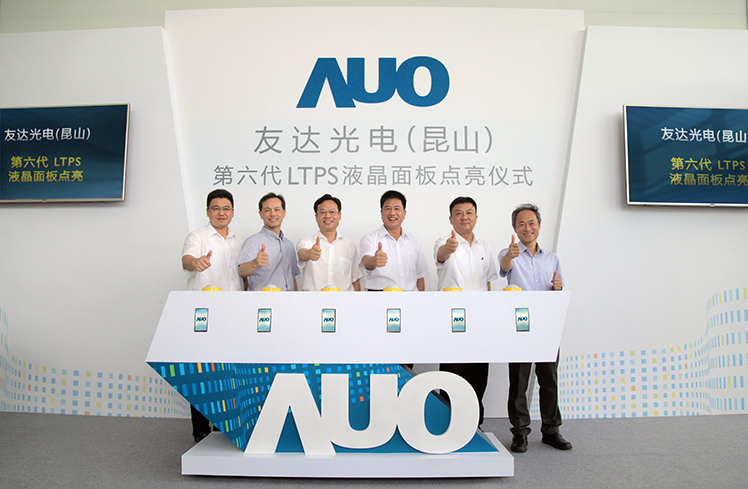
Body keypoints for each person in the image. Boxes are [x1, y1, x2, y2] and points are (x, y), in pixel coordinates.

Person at [498, 203, 571, 453]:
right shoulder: (509, 253)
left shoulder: (552, 258)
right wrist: (511, 255)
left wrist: (558, 288)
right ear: (515, 228)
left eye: (531, 223)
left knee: (549, 380)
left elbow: (557, 290)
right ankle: (520, 433)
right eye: (521, 224)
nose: (527, 228)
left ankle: (551, 430)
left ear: (539, 226)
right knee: (519, 382)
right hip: (520, 327)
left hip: (547, 327)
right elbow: (504, 267)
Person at [181, 188, 244, 442]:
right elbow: (186, 260)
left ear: (232, 212)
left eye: (226, 208)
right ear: (208, 211)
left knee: (227, 370)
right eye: (216, 208)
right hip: (205, 315)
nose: (221, 213)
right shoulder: (198, 236)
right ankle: (201, 428)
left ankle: (222, 424)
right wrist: (195, 262)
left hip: (233, 313)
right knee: (203, 370)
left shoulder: (239, 241)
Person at [434, 196, 498, 426]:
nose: (464, 217)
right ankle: (448, 420)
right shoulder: (444, 241)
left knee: (478, 371)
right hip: (453, 318)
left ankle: (474, 421)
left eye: (469, 212)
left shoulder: (484, 246)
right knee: (452, 370)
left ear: (476, 217)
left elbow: (487, 281)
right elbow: (441, 256)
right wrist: (448, 249)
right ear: (451, 219)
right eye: (458, 213)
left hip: (479, 317)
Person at [359, 190, 429, 292]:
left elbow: (420, 277)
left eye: (397, 209)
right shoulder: (370, 238)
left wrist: (419, 299)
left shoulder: (415, 242)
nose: (392, 213)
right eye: (388, 209)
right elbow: (367, 262)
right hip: (379, 296)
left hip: (410, 297)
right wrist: (374, 260)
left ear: (404, 213)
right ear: (381, 213)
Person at [296, 194, 363, 291]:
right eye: (322, 212)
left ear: (339, 216)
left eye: (332, 212)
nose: (327, 216)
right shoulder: (307, 241)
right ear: (316, 217)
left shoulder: (350, 246)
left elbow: (355, 280)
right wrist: (310, 253)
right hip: (313, 299)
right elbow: (302, 254)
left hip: (343, 299)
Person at [238, 192, 299, 291]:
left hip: (289, 299)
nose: (273, 214)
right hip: (262, 299)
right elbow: (241, 272)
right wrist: (255, 263)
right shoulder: (253, 242)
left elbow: (292, 277)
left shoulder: (289, 244)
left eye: (277, 209)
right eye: (267, 210)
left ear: (284, 213)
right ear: (261, 214)